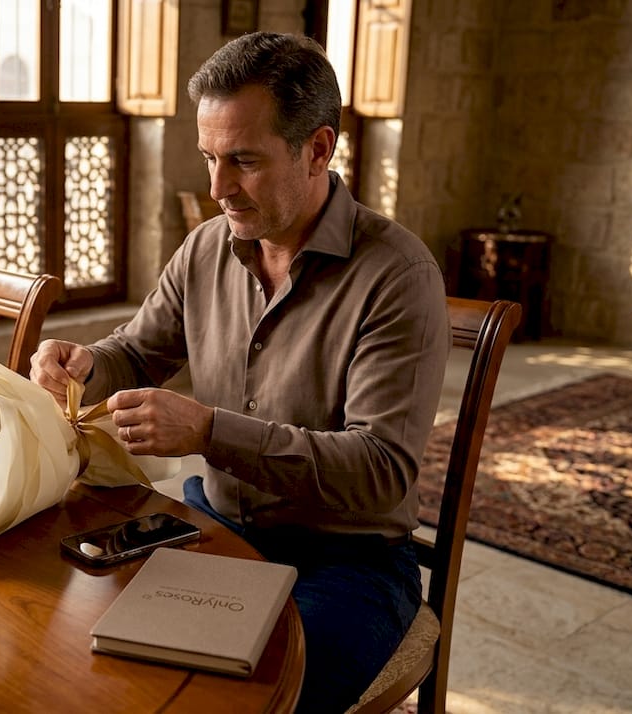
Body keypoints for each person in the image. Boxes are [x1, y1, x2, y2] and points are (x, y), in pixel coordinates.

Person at [30, 32, 449, 712]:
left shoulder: (399, 276)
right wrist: (86, 365)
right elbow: (137, 352)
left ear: (318, 148)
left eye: (244, 162)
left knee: (238, 702)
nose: (218, 188)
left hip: (347, 561)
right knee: (69, 639)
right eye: (210, 159)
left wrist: (208, 430)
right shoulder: (206, 249)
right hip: (217, 524)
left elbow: (380, 470)